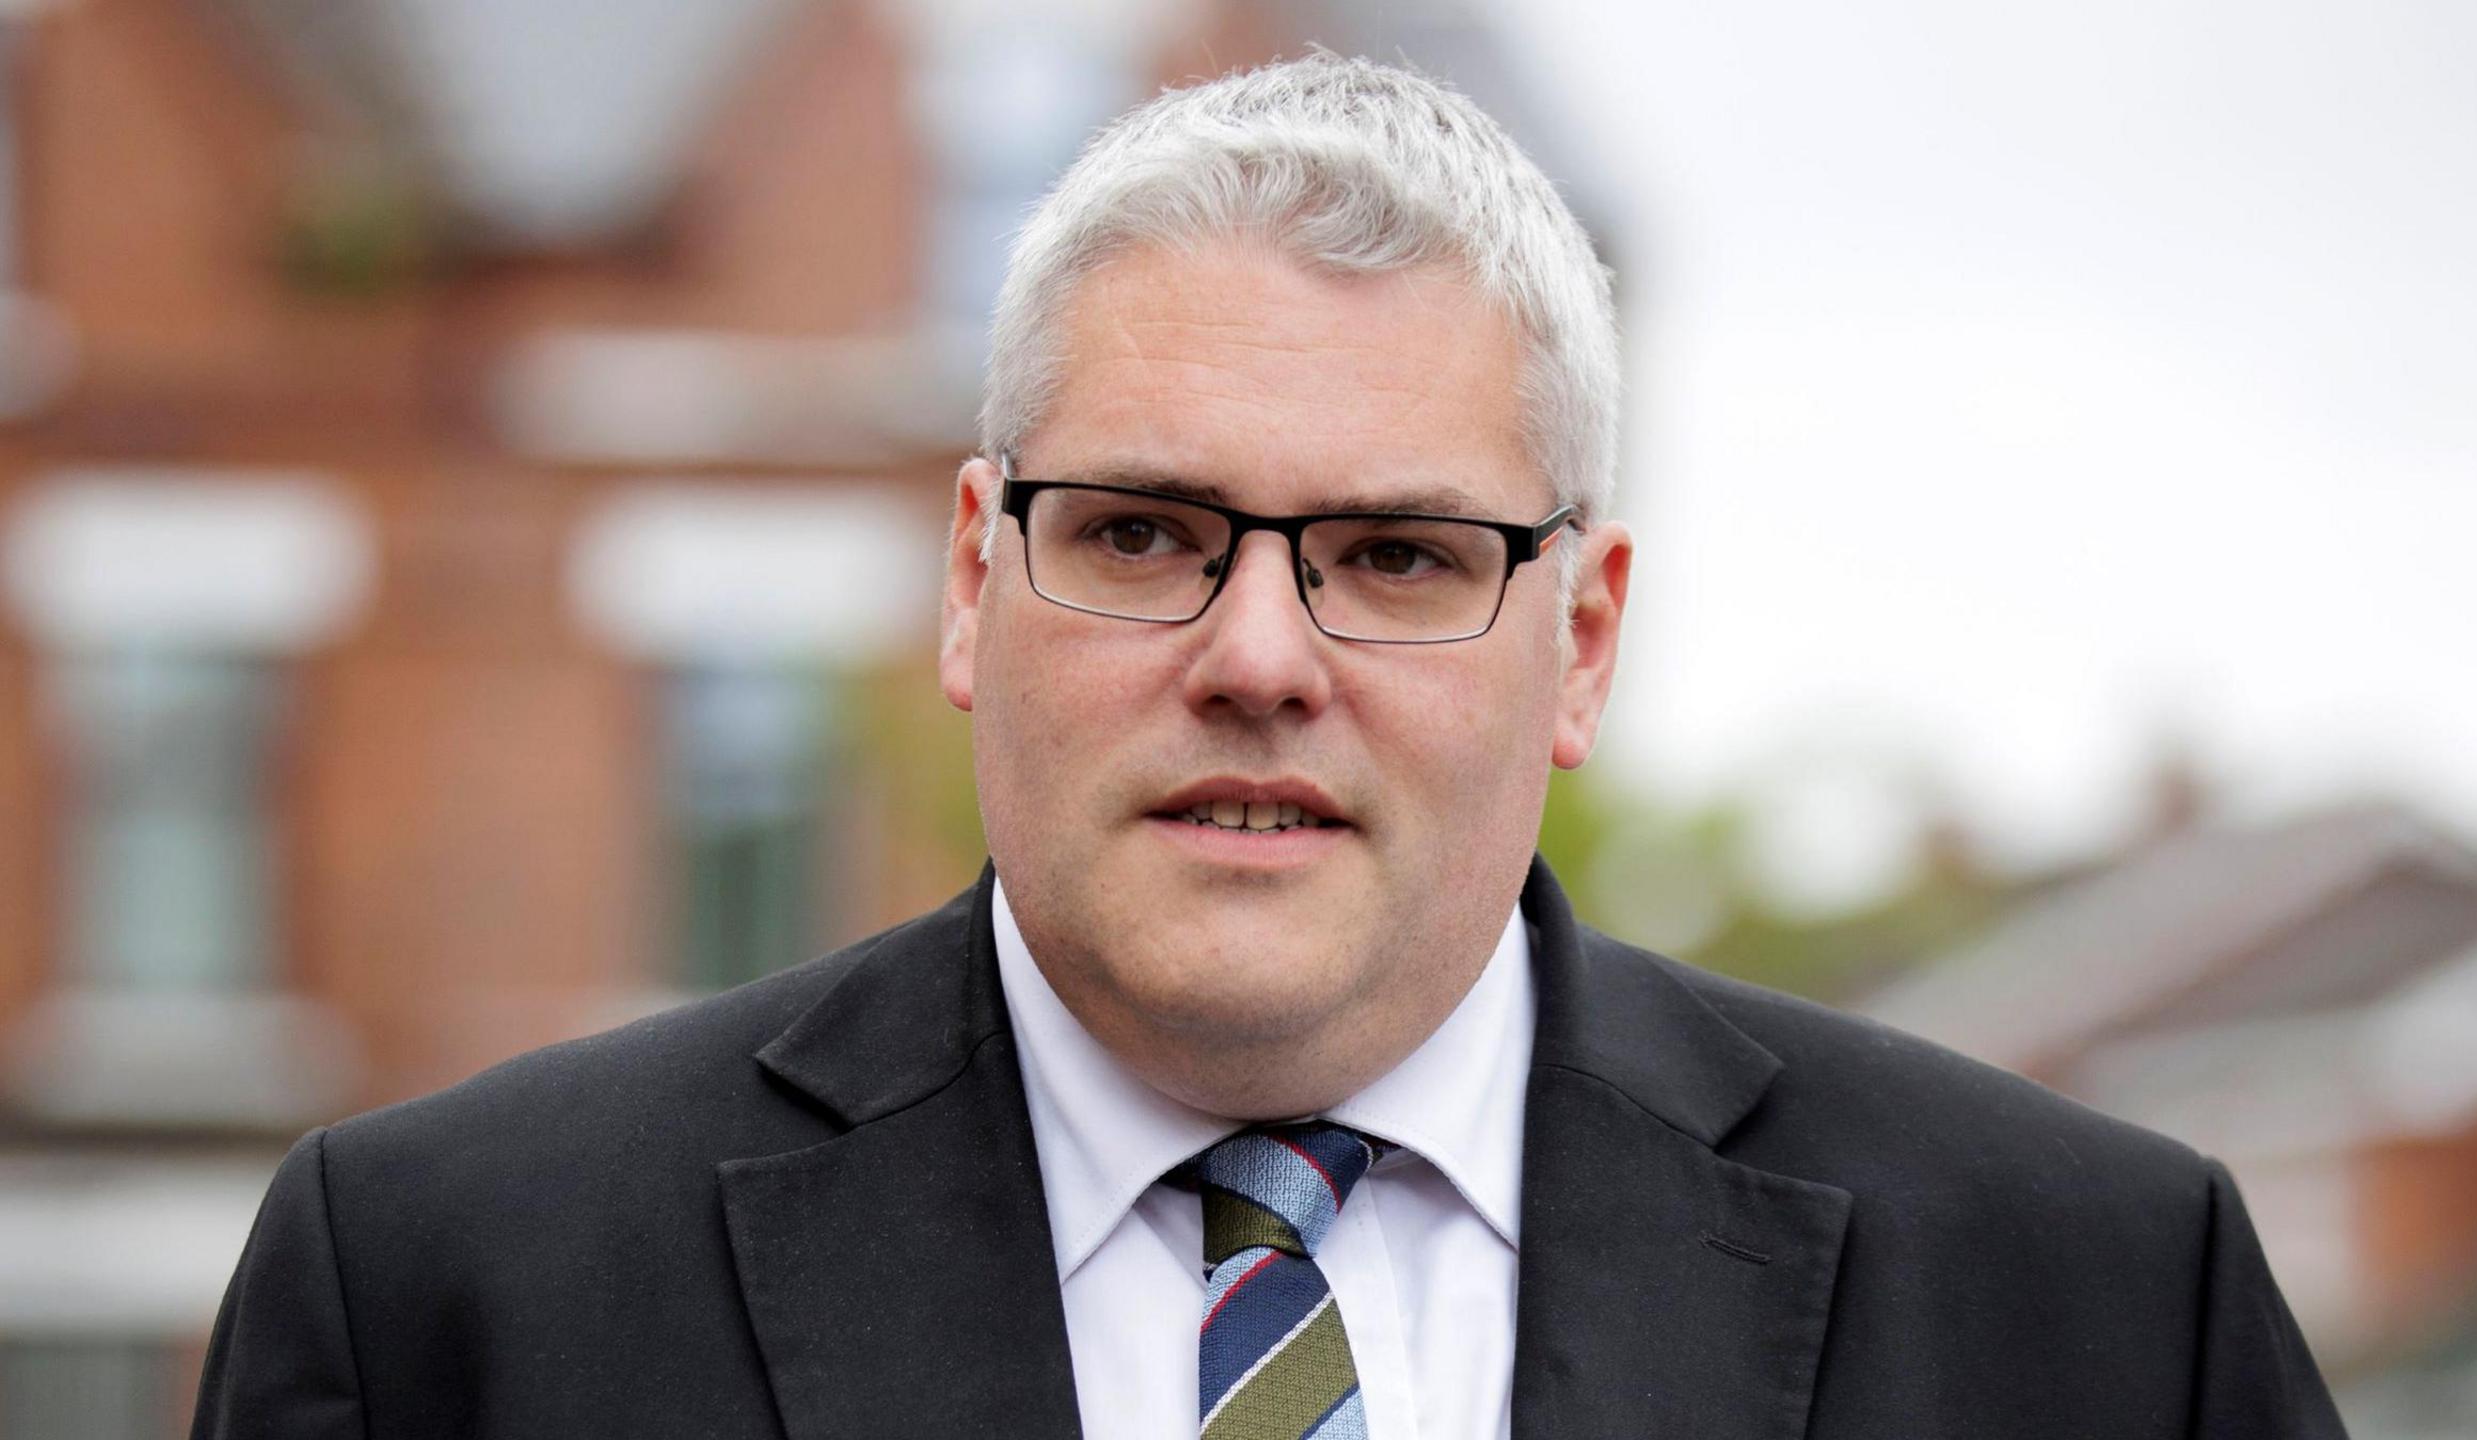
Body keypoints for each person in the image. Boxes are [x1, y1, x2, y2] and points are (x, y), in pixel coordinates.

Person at [193, 53, 2347, 1440]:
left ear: (1577, 642)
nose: (1255, 657)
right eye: (1138, 532)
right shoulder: (450, 1304)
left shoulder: (2083, 1312)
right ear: (969, 583)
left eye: (1397, 557)